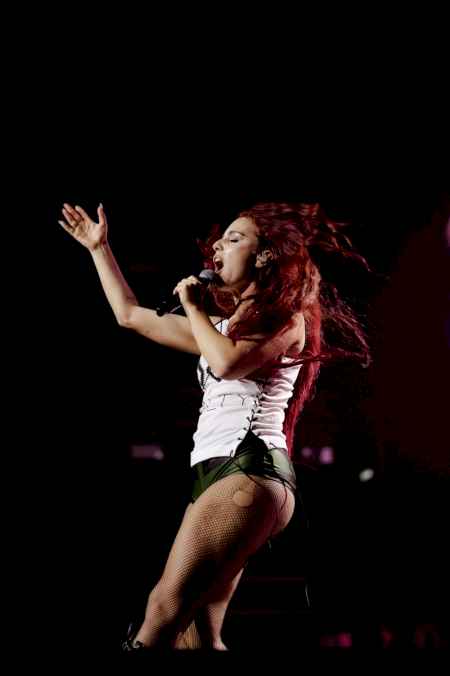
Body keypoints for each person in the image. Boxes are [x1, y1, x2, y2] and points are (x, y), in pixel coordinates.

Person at [59, 200, 370, 650]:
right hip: (221, 477)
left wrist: (192, 306)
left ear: (265, 255)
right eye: (219, 240)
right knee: (198, 636)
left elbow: (226, 363)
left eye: (235, 238)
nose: (218, 247)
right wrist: (98, 248)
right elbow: (130, 316)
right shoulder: (220, 329)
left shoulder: (286, 317)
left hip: (248, 470)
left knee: (162, 609)